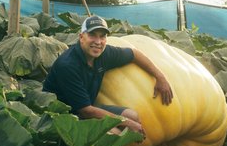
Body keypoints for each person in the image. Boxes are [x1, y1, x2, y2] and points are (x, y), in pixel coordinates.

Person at [43, 15, 173, 138]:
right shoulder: (68, 65)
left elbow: (134, 54)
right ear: (81, 37)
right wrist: (126, 123)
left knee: (132, 116)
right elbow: (86, 111)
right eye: (92, 35)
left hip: (86, 107)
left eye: (102, 36)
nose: (98, 42)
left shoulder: (104, 54)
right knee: (114, 134)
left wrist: (160, 77)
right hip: (62, 117)